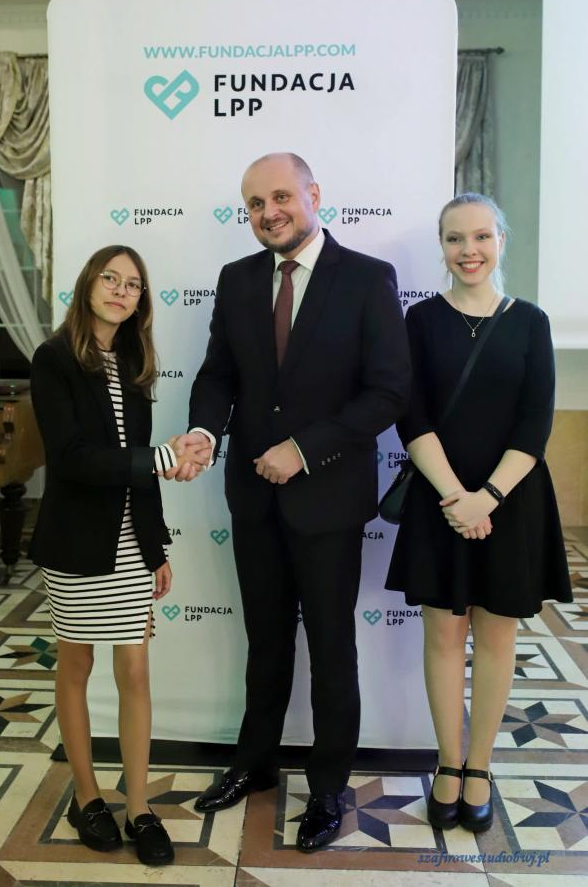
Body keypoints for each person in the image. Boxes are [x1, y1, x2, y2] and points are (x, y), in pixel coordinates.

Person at [171, 152, 410, 851]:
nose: (267, 212)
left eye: (279, 197)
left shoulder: (366, 277)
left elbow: (388, 391)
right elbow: (218, 374)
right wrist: (202, 431)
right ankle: (255, 763)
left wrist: (303, 449)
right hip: (252, 498)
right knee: (265, 641)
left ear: (313, 195)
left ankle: (328, 786)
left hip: (328, 499)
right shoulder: (237, 279)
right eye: (254, 203)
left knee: (332, 648)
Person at [385, 193, 572, 833]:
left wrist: (485, 498)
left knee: (497, 636)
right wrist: (455, 499)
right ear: (442, 247)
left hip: (511, 503)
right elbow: (412, 417)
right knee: (444, 635)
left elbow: (535, 423)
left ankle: (480, 767)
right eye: (455, 238)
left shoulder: (531, 321)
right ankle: (448, 762)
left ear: (501, 242)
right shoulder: (419, 321)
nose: (469, 250)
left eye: (482, 237)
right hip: (441, 500)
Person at [29, 245, 209, 865]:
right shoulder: (53, 358)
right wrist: (161, 457)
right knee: (76, 665)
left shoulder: (132, 362)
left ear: (140, 302)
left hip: (131, 542)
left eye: (133, 284)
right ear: (88, 284)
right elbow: (73, 459)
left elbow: (139, 470)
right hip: (76, 542)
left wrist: (155, 547)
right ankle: (87, 798)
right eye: (110, 278)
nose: (120, 290)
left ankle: (138, 807)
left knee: (134, 673)